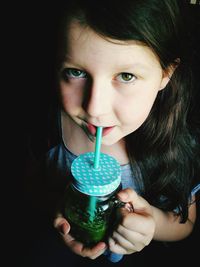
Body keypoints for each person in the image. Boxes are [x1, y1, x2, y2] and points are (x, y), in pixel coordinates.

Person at [24, 0, 200, 266]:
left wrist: (152, 223)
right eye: (75, 72)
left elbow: (185, 223)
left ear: (166, 74)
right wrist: (57, 206)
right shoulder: (44, 124)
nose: (95, 108)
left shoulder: (174, 139)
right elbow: (30, 186)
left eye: (126, 76)